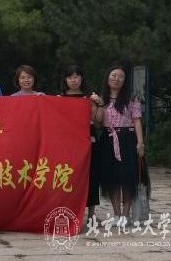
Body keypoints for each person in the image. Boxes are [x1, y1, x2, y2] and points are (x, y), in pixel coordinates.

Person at [94, 63, 144, 224]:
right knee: (112, 178)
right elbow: (98, 123)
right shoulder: (101, 98)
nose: (116, 79)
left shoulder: (131, 99)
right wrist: (99, 104)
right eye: (113, 75)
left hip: (127, 139)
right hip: (108, 140)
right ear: (107, 78)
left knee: (128, 178)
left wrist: (140, 142)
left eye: (121, 76)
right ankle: (116, 215)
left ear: (125, 80)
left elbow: (137, 120)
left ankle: (125, 215)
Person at [60, 64, 102, 224]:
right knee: (68, 176)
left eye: (76, 76)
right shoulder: (58, 99)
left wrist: (98, 104)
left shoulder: (89, 99)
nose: (73, 80)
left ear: (81, 79)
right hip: (67, 144)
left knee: (91, 175)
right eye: (70, 77)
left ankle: (91, 214)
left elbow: (97, 122)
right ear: (65, 79)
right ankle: (67, 211)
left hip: (88, 140)